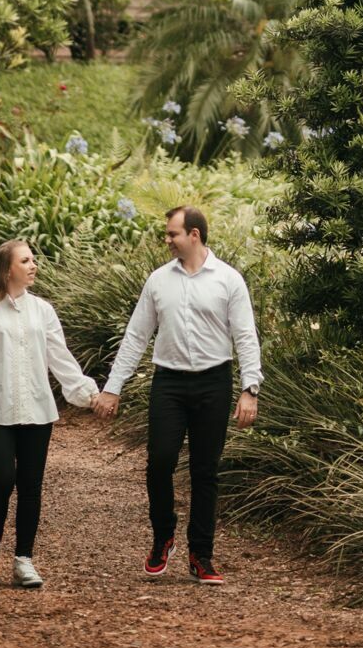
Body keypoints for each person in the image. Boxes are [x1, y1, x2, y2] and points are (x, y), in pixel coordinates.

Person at [93, 205, 262, 585]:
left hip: (213, 382)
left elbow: (245, 337)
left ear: (194, 235)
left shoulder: (229, 280)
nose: (167, 240)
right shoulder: (158, 281)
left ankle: (201, 554)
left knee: (205, 471)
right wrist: (112, 388)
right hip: (168, 382)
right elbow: (137, 335)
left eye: (172, 234)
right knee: (160, 462)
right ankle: (163, 535)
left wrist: (250, 389)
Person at [0, 238, 98, 587]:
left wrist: (87, 393)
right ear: (7, 269)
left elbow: (58, 356)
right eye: (26, 260)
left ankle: (24, 560)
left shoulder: (43, 310)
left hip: (37, 409)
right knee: (1, 480)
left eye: (34, 260)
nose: (33, 266)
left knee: (31, 486)